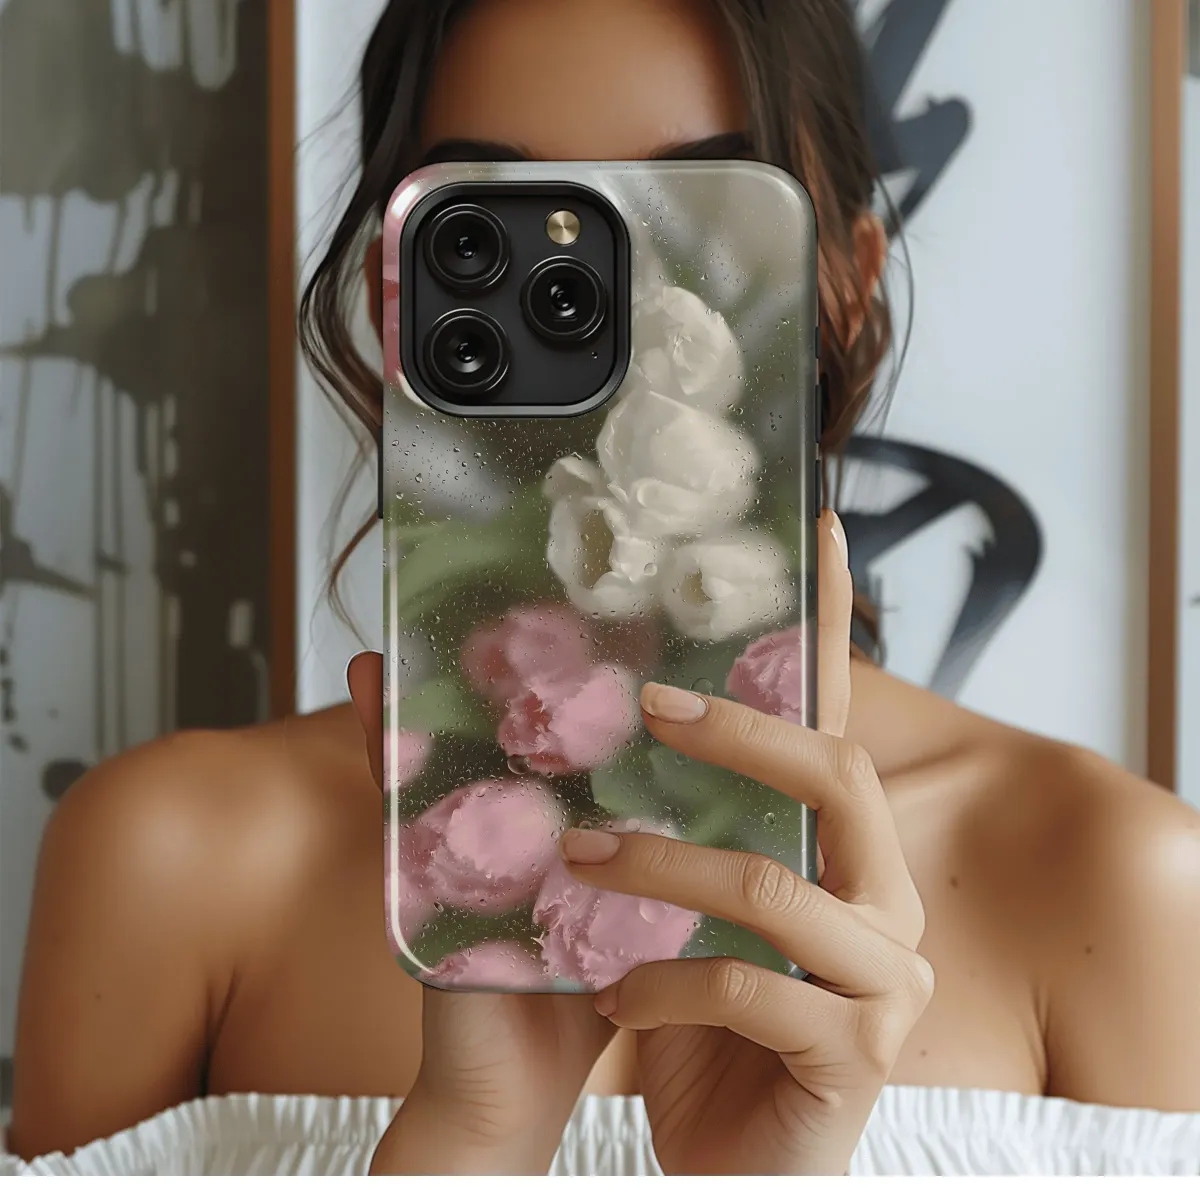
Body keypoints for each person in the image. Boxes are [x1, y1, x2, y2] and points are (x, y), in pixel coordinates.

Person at [7, 0, 1200, 1177]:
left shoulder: (1114, 884)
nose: (607, 304)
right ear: (394, 292)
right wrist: (474, 1145)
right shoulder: (173, 863)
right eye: (492, 228)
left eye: (704, 207)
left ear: (847, 284)